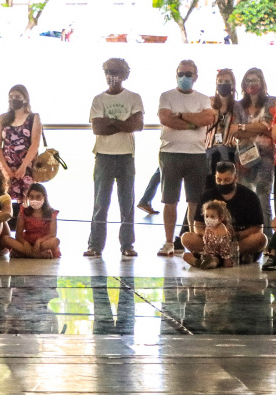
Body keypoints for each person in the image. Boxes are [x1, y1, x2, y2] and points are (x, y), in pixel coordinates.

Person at [84, 58, 144, 258]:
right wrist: (122, 122)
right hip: (103, 156)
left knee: (127, 203)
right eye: (108, 71)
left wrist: (110, 122)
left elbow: (137, 125)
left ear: (125, 74)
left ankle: (127, 245)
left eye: (117, 71)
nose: (112, 75)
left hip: (126, 156)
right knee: (100, 203)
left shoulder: (134, 97)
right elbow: (97, 128)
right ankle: (95, 245)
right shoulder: (98, 99)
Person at [156, 59, 215, 256]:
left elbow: (207, 119)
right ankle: (168, 241)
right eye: (181, 74)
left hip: (197, 154)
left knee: (194, 201)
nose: (184, 77)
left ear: (195, 76)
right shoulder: (166, 96)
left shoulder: (203, 98)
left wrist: (179, 115)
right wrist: (192, 121)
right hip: (170, 153)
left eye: (188, 74)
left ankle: (193, 239)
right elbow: (166, 119)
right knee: (169, 200)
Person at [181, 162, 266, 263]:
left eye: (227, 180)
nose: (222, 183)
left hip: (238, 241)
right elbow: (197, 225)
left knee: (261, 239)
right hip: (211, 241)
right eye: (219, 180)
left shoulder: (249, 196)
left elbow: (258, 229)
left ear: (235, 178)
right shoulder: (207, 195)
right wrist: (210, 235)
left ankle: (214, 258)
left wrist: (236, 234)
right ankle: (225, 257)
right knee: (186, 238)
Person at [230, 68, 275, 241]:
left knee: (263, 201)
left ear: (262, 82)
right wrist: (252, 129)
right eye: (248, 81)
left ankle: (268, 242)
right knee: (243, 199)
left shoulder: (271, 102)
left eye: (255, 80)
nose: (251, 84)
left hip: (265, 159)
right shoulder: (238, 105)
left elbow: (267, 126)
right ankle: (245, 239)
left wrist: (243, 128)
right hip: (243, 159)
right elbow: (235, 132)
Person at [0, 84, 42, 222]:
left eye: (17, 97)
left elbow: (35, 144)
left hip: (26, 167)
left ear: (25, 99)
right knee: (5, 201)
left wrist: (23, 167)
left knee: (27, 202)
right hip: (6, 166)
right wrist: (6, 168)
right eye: (10, 97)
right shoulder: (3, 118)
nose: (13, 100)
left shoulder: (33, 118)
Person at [2, 183, 60, 259]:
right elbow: (18, 234)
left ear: (44, 197)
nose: (34, 200)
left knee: (56, 241)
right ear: (28, 197)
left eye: (38, 197)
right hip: (26, 241)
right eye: (32, 197)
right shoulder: (24, 212)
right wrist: (25, 243)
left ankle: (25, 253)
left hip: (42, 243)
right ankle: (35, 254)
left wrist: (39, 241)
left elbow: (52, 234)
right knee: (5, 239)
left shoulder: (52, 213)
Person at [206, 69, 238, 183]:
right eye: (220, 81)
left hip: (229, 153)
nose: (223, 84)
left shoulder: (237, 107)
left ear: (233, 84)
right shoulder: (208, 102)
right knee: (209, 186)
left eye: (227, 81)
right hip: (209, 151)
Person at [183, 200, 234, 269]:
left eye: (212, 217)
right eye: (206, 216)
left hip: (218, 256)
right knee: (186, 255)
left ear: (220, 218)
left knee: (215, 260)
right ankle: (198, 262)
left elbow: (225, 246)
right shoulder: (208, 228)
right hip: (206, 253)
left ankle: (208, 263)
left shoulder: (222, 229)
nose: (208, 219)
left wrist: (226, 258)